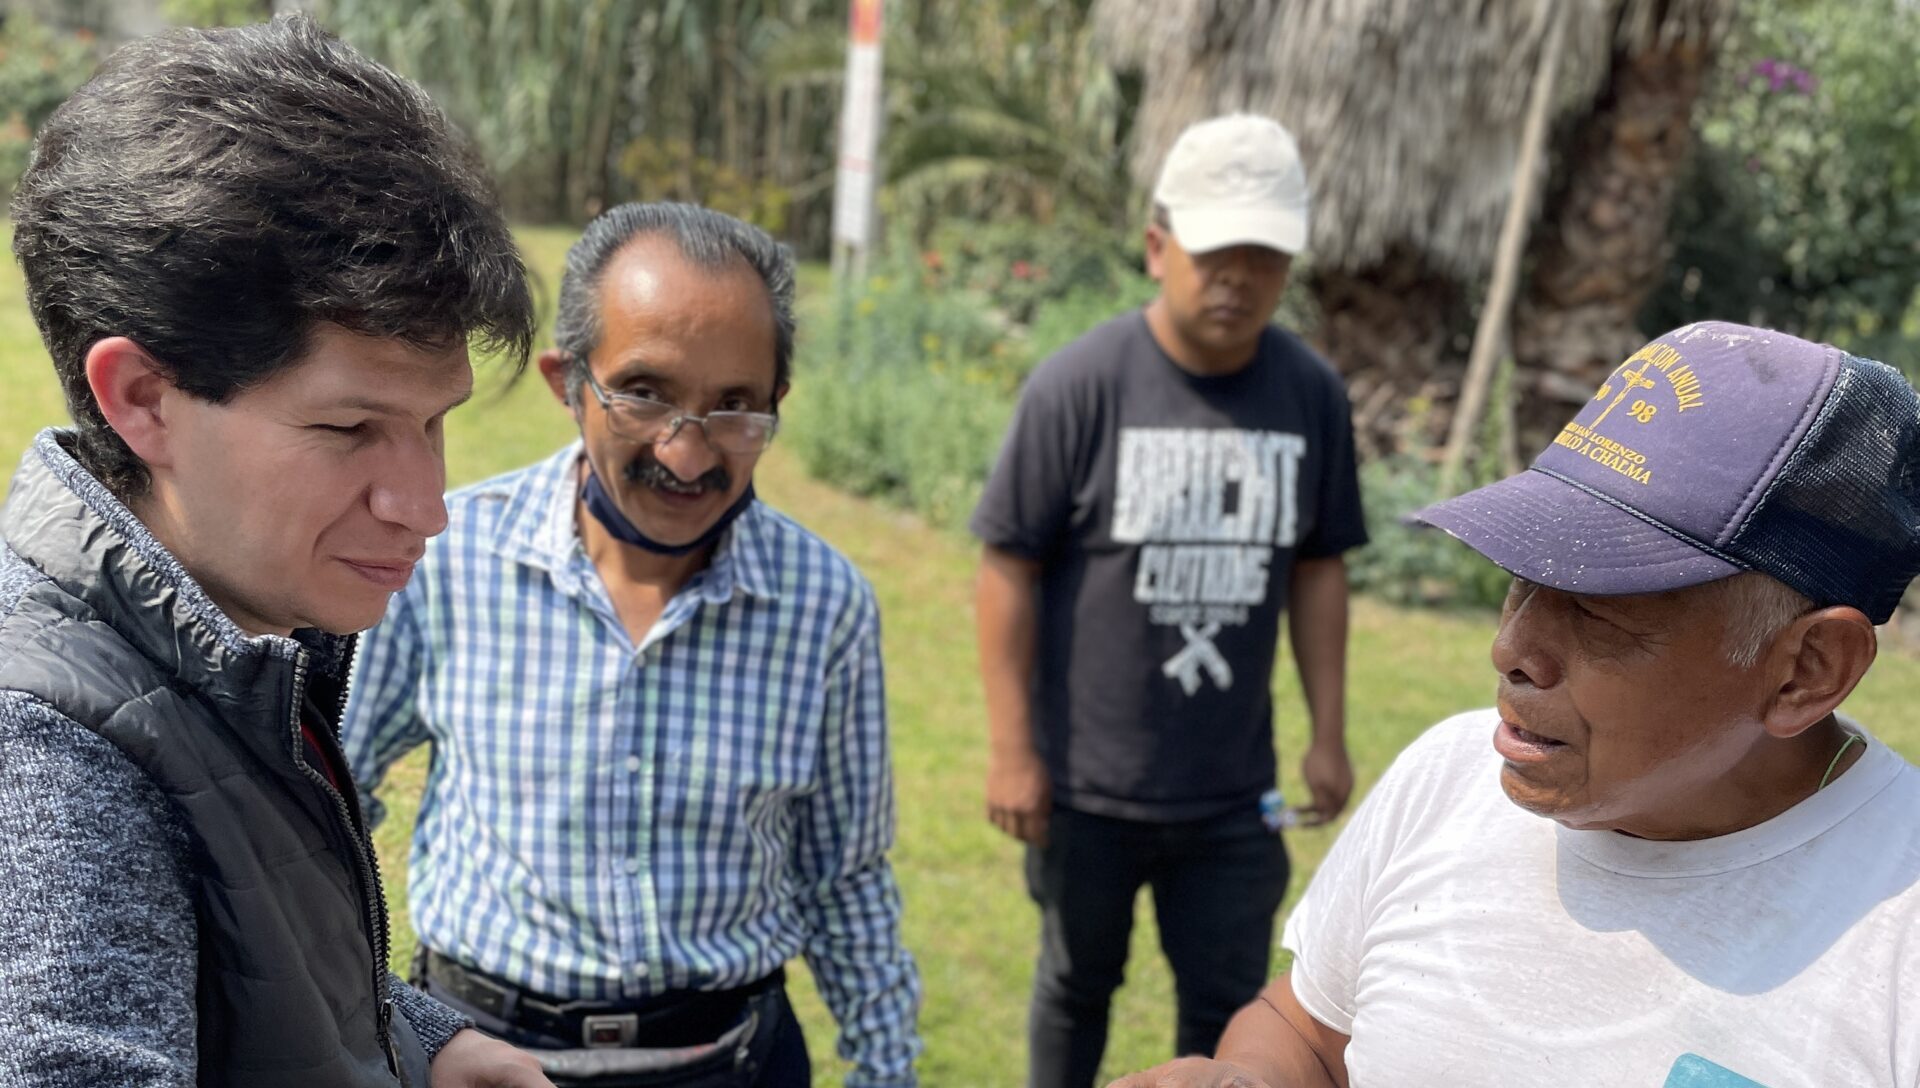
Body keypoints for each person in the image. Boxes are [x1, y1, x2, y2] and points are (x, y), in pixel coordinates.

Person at [1110, 321, 1920, 1088]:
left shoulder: (1897, 939)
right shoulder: (1447, 777)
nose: (1511, 650)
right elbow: (1312, 1034)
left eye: (1604, 606)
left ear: (1807, 671)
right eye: (1522, 577)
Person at [0, 15, 552, 1088]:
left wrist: (426, 1041)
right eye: (350, 429)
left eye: (436, 422)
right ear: (144, 400)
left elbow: (243, 968)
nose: (425, 506)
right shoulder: (52, 756)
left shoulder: (229, 638)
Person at [339, 202, 921, 1087]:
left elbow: (847, 877)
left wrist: (887, 1072)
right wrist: (365, 1011)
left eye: (735, 408)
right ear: (567, 383)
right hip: (484, 1055)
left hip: (728, 1060)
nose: (687, 455)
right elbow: (329, 799)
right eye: (644, 394)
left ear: (776, 405)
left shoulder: (823, 605)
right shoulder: (448, 564)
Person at [970, 112, 1368, 1088]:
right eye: (1213, 251)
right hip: (1085, 787)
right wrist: (1016, 749)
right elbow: (1007, 566)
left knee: (1229, 1008)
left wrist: (1328, 730)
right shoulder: (1081, 385)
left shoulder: (1309, 393)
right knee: (1075, 983)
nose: (1236, 276)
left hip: (1234, 793)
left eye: (1262, 256)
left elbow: (1319, 566)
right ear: (1158, 248)